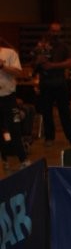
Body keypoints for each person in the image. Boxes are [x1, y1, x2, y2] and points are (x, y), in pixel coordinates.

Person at [31, 22, 71, 146]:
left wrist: (53, 66)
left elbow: (70, 63)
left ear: (60, 32)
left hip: (59, 83)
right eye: (53, 31)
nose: (55, 33)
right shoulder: (40, 46)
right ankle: (49, 138)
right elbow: (33, 65)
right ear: (49, 31)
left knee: (65, 112)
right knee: (46, 112)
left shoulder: (63, 46)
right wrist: (38, 61)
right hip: (45, 83)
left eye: (57, 31)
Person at [0, 37, 30, 172]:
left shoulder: (10, 53)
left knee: (14, 128)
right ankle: (4, 159)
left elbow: (18, 73)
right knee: (2, 131)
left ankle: (23, 159)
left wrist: (3, 66)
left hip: (9, 98)